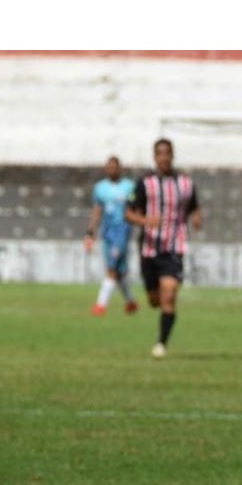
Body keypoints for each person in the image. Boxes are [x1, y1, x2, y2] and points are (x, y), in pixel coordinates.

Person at [125, 138, 202, 359]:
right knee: (154, 300)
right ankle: (156, 303)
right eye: (160, 153)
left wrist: (196, 219)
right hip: (149, 249)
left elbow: (194, 208)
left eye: (167, 152)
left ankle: (161, 344)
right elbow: (129, 213)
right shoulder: (144, 183)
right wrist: (147, 221)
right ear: (155, 156)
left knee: (169, 296)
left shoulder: (186, 184)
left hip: (174, 248)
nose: (164, 157)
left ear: (172, 155)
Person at [84, 155, 138, 316]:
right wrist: (91, 231)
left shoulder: (129, 187)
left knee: (111, 268)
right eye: (109, 167)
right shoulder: (100, 188)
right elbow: (97, 210)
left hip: (122, 231)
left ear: (120, 168)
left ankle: (101, 305)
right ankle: (131, 302)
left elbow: (135, 207)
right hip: (106, 233)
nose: (112, 169)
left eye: (115, 167)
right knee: (118, 271)